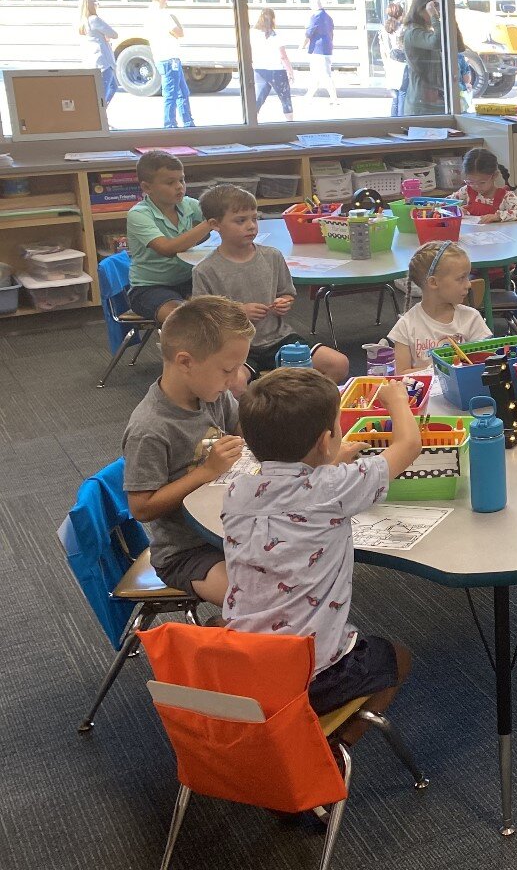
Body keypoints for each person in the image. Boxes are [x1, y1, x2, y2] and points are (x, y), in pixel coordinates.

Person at [225, 369, 419, 738]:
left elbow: (292, 492)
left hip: (243, 665)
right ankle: (333, 748)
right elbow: (408, 446)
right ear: (324, 440)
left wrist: (326, 462)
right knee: (398, 657)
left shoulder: (237, 490)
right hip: (312, 677)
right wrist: (397, 402)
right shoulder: (333, 488)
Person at [123, 296, 252, 603]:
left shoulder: (211, 393)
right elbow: (141, 508)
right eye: (227, 370)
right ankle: (223, 635)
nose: (234, 379)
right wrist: (206, 472)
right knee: (252, 599)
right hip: (187, 550)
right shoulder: (150, 429)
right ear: (185, 362)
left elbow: (241, 432)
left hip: (229, 525)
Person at [190, 185, 349, 383]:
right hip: (234, 346)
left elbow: (287, 293)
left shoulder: (272, 256)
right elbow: (201, 320)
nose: (251, 226)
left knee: (338, 363)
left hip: (280, 339)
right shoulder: (205, 271)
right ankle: (257, 412)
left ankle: (307, 410)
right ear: (215, 224)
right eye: (240, 220)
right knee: (236, 383)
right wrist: (239, 313)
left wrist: (284, 301)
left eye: (254, 218)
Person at [126, 151, 215, 324]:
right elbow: (167, 249)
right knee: (183, 320)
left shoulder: (188, 204)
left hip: (189, 280)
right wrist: (209, 223)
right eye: (170, 182)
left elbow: (220, 214)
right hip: (149, 288)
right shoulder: (138, 214)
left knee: (225, 309)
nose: (179, 186)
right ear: (147, 188)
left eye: (181, 180)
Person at [387, 240, 491, 373]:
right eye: (461, 278)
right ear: (434, 282)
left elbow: (485, 364)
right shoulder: (406, 325)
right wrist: (441, 370)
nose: (469, 284)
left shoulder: (471, 318)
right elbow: (401, 373)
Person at [147, 0, 193, 128]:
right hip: (169, 58)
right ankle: (170, 125)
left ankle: (188, 123)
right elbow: (179, 32)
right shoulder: (163, 15)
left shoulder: (149, 14)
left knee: (182, 92)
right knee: (172, 94)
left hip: (162, 57)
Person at [451, 147, 517, 224]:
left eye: (482, 182)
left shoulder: (506, 197)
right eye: (471, 182)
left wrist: (498, 216)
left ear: (495, 175)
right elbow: (442, 205)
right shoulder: (466, 191)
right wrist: (456, 210)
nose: (476, 186)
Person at [402, 0, 447, 117]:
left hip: (431, 99)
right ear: (421, 9)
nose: (437, 10)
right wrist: (434, 15)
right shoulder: (413, 33)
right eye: (434, 6)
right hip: (421, 103)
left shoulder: (424, 32)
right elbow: (437, 42)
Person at [250, 8, 295, 122]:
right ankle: (290, 124)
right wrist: (290, 71)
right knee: (285, 99)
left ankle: (252, 124)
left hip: (259, 70)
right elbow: (283, 56)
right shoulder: (276, 35)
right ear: (273, 19)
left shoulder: (253, 34)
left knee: (258, 99)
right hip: (277, 71)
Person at [77, 0, 118, 107]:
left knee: (111, 87)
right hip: (103, 61)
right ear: (91, 5)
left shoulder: (82, 22)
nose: (97, 6)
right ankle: (100, 115)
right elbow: (114, 34)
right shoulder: (94, 19)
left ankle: (101, 113)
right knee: (104, 91)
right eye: (96, 3)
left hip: (92, 60)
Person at [303, 0, 337, 103]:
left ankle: (334, 98)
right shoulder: (329, 17)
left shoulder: (315, 16)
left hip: (317, 50)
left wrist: (302, 45)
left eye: (310, 4)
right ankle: (308, 96)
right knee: (316, 75)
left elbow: (309, 33)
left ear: (314, 4)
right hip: (327, 48)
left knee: (324, 75)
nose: (309, 7)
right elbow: (331, 33)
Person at [380, 1, 407, 117]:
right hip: (402, 64)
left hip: (391, 63)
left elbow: (384, 49)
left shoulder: (385, 28)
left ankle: (393, 120)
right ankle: (401, 121)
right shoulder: (402, 29)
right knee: (403, 94)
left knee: (395, 97)